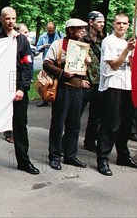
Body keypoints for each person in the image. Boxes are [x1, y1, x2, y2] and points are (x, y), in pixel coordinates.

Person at [0, 8, 39, 175]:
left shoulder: (22, 40)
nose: (11, 21)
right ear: (1, 19)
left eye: (13, 18)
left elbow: (28, 65)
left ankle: (24, 162)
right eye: (7, 18)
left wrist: (22, 88)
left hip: (17, 86)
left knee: (20, 126)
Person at [96, 13, 137, 176]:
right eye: (118, 23)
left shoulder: (127, 42)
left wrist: (133, 54)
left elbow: (132, 65)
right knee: (111, 123)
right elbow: (115, 65)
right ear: (113, 24)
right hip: (113, 84)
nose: (121, 26)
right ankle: (102, 158)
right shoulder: (109, 41)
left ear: (129, 25)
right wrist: (126, 51)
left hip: (128, 85)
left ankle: (123, 155)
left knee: (126, 123)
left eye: (124, 23)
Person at [43, 18, 91, 170]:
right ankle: (55, 156)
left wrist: (86, 64)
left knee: (74, 124)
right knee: (58, 123)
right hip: (62, 88)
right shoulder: (58, 44)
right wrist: (62, 73)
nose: (83, 31)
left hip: (77, 89)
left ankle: (70, 155)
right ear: (71, 30)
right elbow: (46, 63)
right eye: (80, 29)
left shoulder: (83, 46)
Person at [82, 11, 106, 153]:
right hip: (86, 82)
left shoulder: (103, 40)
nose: (101, 25)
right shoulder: (82, 39)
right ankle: (67, 141)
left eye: (103, 22)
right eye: (99, 22)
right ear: (91, 22)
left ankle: (90, 141)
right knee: (76, 114)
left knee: (96, 116)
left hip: (99, 82)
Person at [36, 22, 64, 107]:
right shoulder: (42, 36)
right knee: (46, 81)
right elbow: (37, 48)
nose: (51, 32)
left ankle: (56, 97)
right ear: (46, 29)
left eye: (52, 30)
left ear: (55, 29)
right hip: (47, 61)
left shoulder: (60, 35)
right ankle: (45, 99)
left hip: (58, 61)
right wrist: (43, 46)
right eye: (49, 30)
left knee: (58, 80)